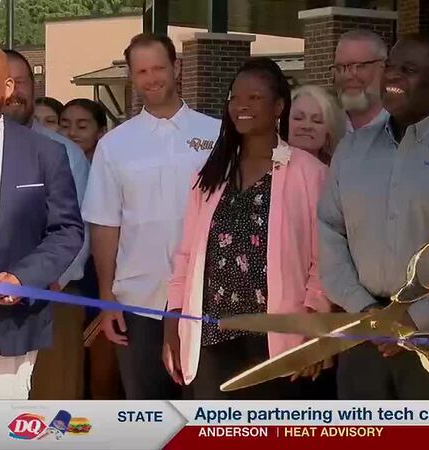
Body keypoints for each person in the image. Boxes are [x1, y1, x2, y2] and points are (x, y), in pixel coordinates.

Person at [318, 36, 429, 400]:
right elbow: (330, 231)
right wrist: (366, 312)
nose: (392, 78)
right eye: (391, 68)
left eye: (408, 71)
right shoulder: (352, 149)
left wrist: (413, 320)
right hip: (362, 330)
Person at [165, 57, 332, 400]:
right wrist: (173, 323)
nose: (241, 106)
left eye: (254, 98)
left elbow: (324, 262)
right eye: (234, 98)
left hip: (277, 338)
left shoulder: (309, 173)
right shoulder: (210, 175)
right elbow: (185, 257)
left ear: (279, 107)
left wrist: (315, 330)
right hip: (210, 334)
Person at [82, 33, 220, 400]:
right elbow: (104, 224)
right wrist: (106, 296)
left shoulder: (217, 134)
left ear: (177, 67)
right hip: (138, 303)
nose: (152, 78)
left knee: (206, 414)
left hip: (205, 301)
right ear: (131, 76)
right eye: (142, 71)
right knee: (147, 416)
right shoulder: (114, 144)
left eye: (159, 68)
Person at [0, 45, 84, 399]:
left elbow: (67, 232)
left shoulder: (45, 154)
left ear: (8, 88)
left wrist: (22, 278)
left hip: (7, 325)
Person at [59, 97, 120, 399]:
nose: (72, 132)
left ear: (100, 130)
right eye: (65, 125)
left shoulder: (111, 169)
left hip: (105, 277)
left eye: (82, 125)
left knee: (102, 371)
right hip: (69, 278)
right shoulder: (55, 166)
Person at [333, 29, 389, 132]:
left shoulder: (406, 129)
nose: (347, 76)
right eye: (340, 67)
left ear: (383, 68)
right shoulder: (326, 129)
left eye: (359, 66)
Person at [288, 85, 346, 165]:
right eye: (299, 118)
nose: (307, 126)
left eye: (317, 121)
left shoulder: (338, 170)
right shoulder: (269, 166)